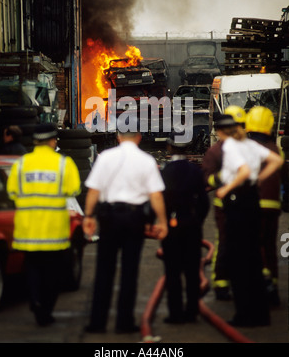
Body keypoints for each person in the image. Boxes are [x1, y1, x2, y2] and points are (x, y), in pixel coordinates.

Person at [82, 124, 168, 334]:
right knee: (130, 270)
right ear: (138, 138)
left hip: (109, 218)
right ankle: (124, 323)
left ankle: (97, 323)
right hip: (134, 218)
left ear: (118, 137)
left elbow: (94, 190)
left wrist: (89, 216)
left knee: (104, 270)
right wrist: (162, 222)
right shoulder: (147, 161)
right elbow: (156, 195)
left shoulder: (105, 158)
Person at [6, 123, 81, 326]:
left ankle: (35, 300)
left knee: (32, 268)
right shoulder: (64, 164)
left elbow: (11, 192)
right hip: (53, 231)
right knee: (52, 272)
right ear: (52, 141)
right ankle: (45, 309)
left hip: (27, 230)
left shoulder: (21, 164)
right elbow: (73, 190)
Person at [215, 114, 284, 327]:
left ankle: (244, 315)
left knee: (238, 261)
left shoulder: (231, 147)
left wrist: (227, 188)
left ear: (220, 132)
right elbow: (277, 160)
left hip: (238, 203)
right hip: (253, 199)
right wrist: (259, 179)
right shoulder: (250, 144)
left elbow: (243, 171)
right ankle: (261, 314)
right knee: (254, 258)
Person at [160, 132, 209, 324]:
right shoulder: (195, 171)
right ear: (187, 149)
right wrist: (197, 220)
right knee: (191, 271)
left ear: (169, 148)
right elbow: (204, 202)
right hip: (191, 225)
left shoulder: (165, 172)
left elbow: (159, 200)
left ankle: (175, 314)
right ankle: (192, 312)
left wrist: (162, 221)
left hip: (171, 227)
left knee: (172, 272)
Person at [202, 106, 246, 301]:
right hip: (227, 205)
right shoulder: (216, 152)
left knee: (235, 244)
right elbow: (207, 180)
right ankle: (222, 284)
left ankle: (229, 283)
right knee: (227, 243)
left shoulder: (233, 149)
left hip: (239, 203)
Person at [245, 106, 284, 305]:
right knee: (269, 246)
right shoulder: (276, 150)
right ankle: (273, 287)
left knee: (255, 245)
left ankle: (261, 284)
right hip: (273, 207)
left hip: (254, 206)